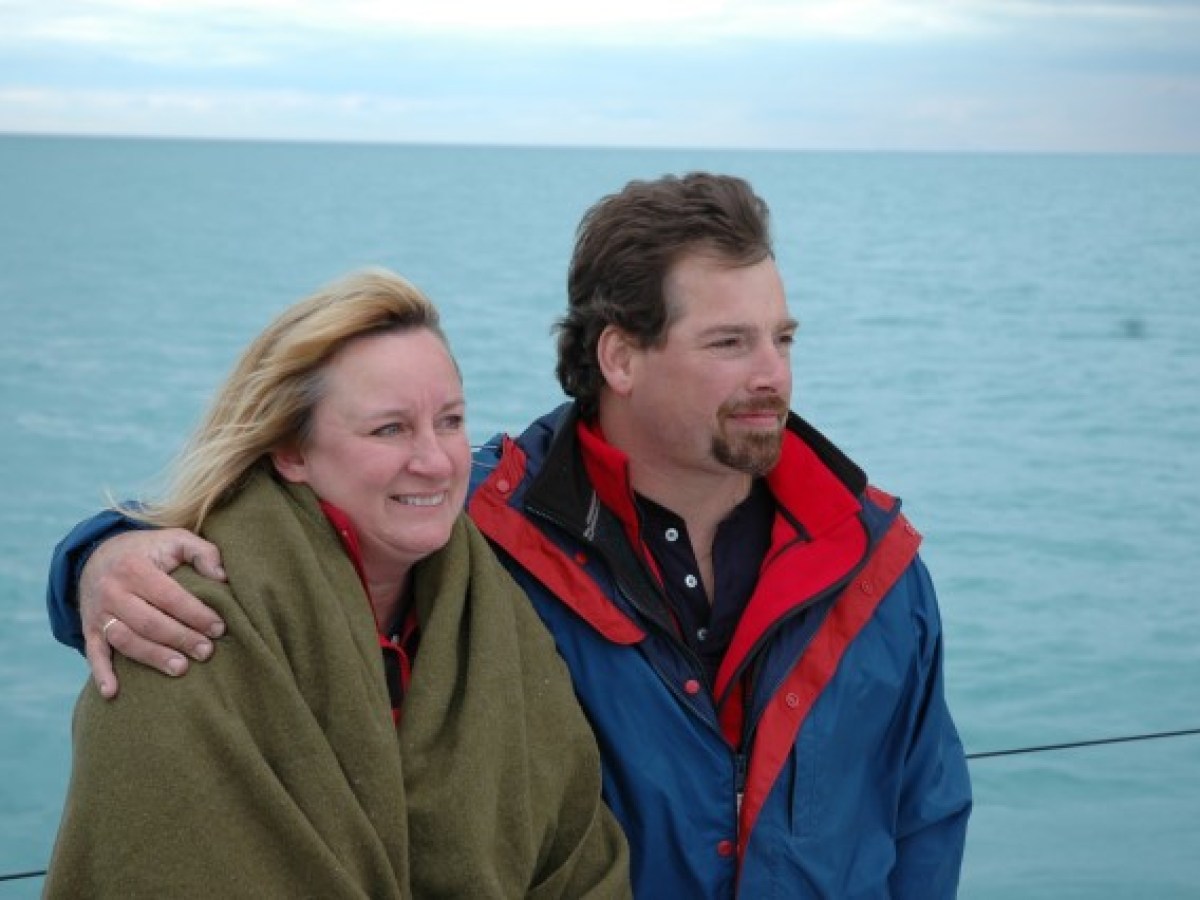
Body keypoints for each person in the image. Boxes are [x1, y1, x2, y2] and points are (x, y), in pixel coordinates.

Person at [47, 173, 972, 897]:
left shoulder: (876, 565)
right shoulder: (478, 524)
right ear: (620, 356)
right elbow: (285, 525)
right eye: (730, 343)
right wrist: (97, 557)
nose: (774, 372)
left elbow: (926, 817)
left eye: (784, 337)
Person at [43, 269, 631, 898]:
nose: (435, 459)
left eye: (452, 421)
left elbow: (579, 859)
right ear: (293, 450)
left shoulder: (496, 617)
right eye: (390, 429)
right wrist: (93, 556)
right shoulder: (176, 625)